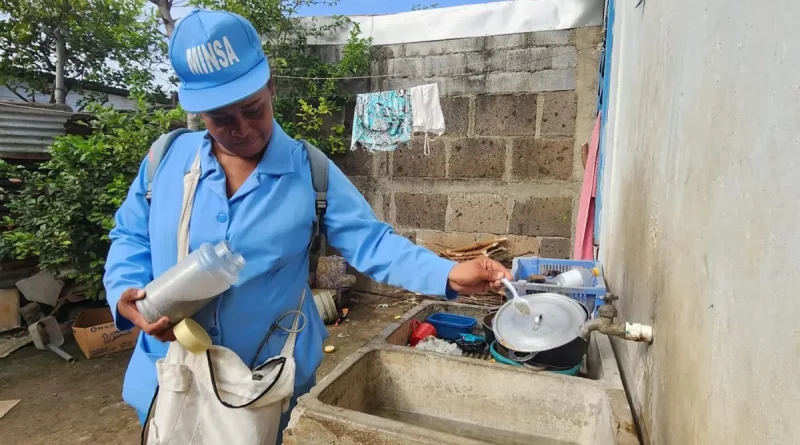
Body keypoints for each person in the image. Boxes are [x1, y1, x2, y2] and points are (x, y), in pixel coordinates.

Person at [103, 7, 512, 441]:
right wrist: (124, 292)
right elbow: (130, 236)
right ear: (199, 112)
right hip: (169, 380)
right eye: (222, 118)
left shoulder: (310, 172)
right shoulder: (165, 161)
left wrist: (446, 272)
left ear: (271, 87)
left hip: (264, 385)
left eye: (253, 108)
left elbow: (371, 243)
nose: (242, 129)